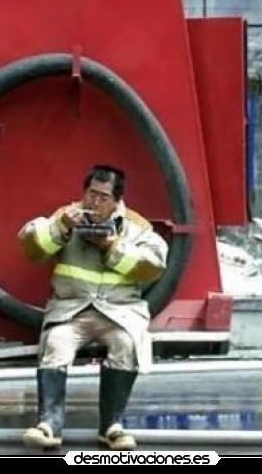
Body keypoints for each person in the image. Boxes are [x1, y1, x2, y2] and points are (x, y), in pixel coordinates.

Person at [17, 164, 168, 450]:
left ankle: (112, 426)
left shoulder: (135, 226)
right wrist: (61, 227)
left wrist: (111, 246)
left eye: (102, 197)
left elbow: (153, 266)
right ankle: (49, 423)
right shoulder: (67, 215)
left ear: (116, 200)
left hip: (118, 312)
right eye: (91, 193)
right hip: (72, 310)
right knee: (56, 343)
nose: (94, 202)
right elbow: (31, 246)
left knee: (125, 345)